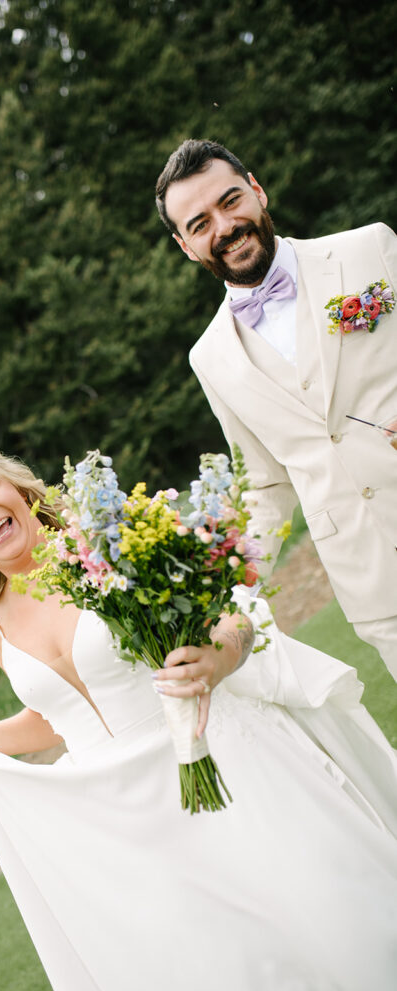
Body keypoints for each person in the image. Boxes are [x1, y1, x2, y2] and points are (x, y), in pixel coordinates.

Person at [0, 439, 397, 991]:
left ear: (20, 491)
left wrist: (218, 659)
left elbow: (231, 619)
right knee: (236, 972)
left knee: (328, 927)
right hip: (128, 818)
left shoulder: (105, 544)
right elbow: (57, 718)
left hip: (220, 761)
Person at [154, 139, 397, 681]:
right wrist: (233, 580)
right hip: (376, 583)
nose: (225, 226)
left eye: (231, 200)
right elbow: (265, 485)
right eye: (200, 223)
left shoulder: (368, 251)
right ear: (185, 245)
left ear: (258, 191)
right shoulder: (209, 358)